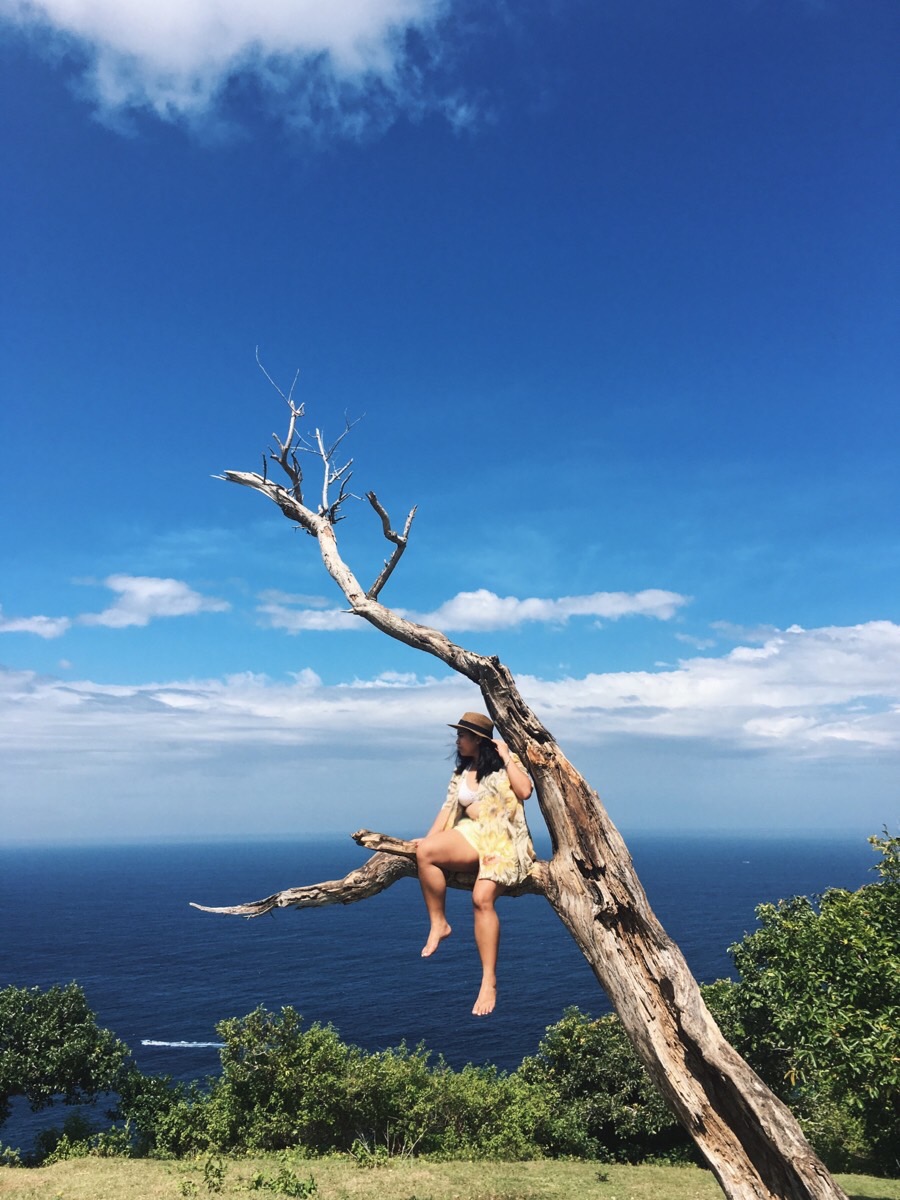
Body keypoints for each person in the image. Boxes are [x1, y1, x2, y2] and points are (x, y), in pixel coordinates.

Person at [415, 711, 535, 1016]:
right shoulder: (461, 773)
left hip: (502, 840)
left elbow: (525, 791)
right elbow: (447, 810)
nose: (457, 740)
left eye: (462, 735)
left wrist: (507, 756)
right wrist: (427, 840)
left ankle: (488, 980)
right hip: (470, 834)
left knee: (481, 899)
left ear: (479, 740)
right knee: (425, 852)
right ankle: (439, 923)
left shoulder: (507, 764)